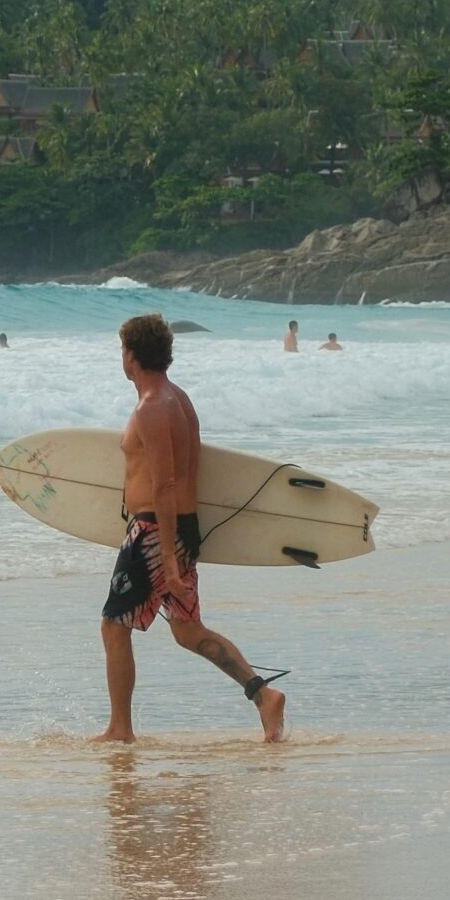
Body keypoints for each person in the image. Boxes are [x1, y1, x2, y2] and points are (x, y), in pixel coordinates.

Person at [96, 313, 289, 744]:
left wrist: (165, 554)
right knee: (186, 630)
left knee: (114, 626)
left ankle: (120, 729)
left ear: (131, 355)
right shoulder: (179, 400)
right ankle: (264, 695)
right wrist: (181, 542)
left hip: (153, 534)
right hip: (179, 529)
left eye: (122, 350)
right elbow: (190, 473)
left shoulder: (151, 409)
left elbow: (163, 484)